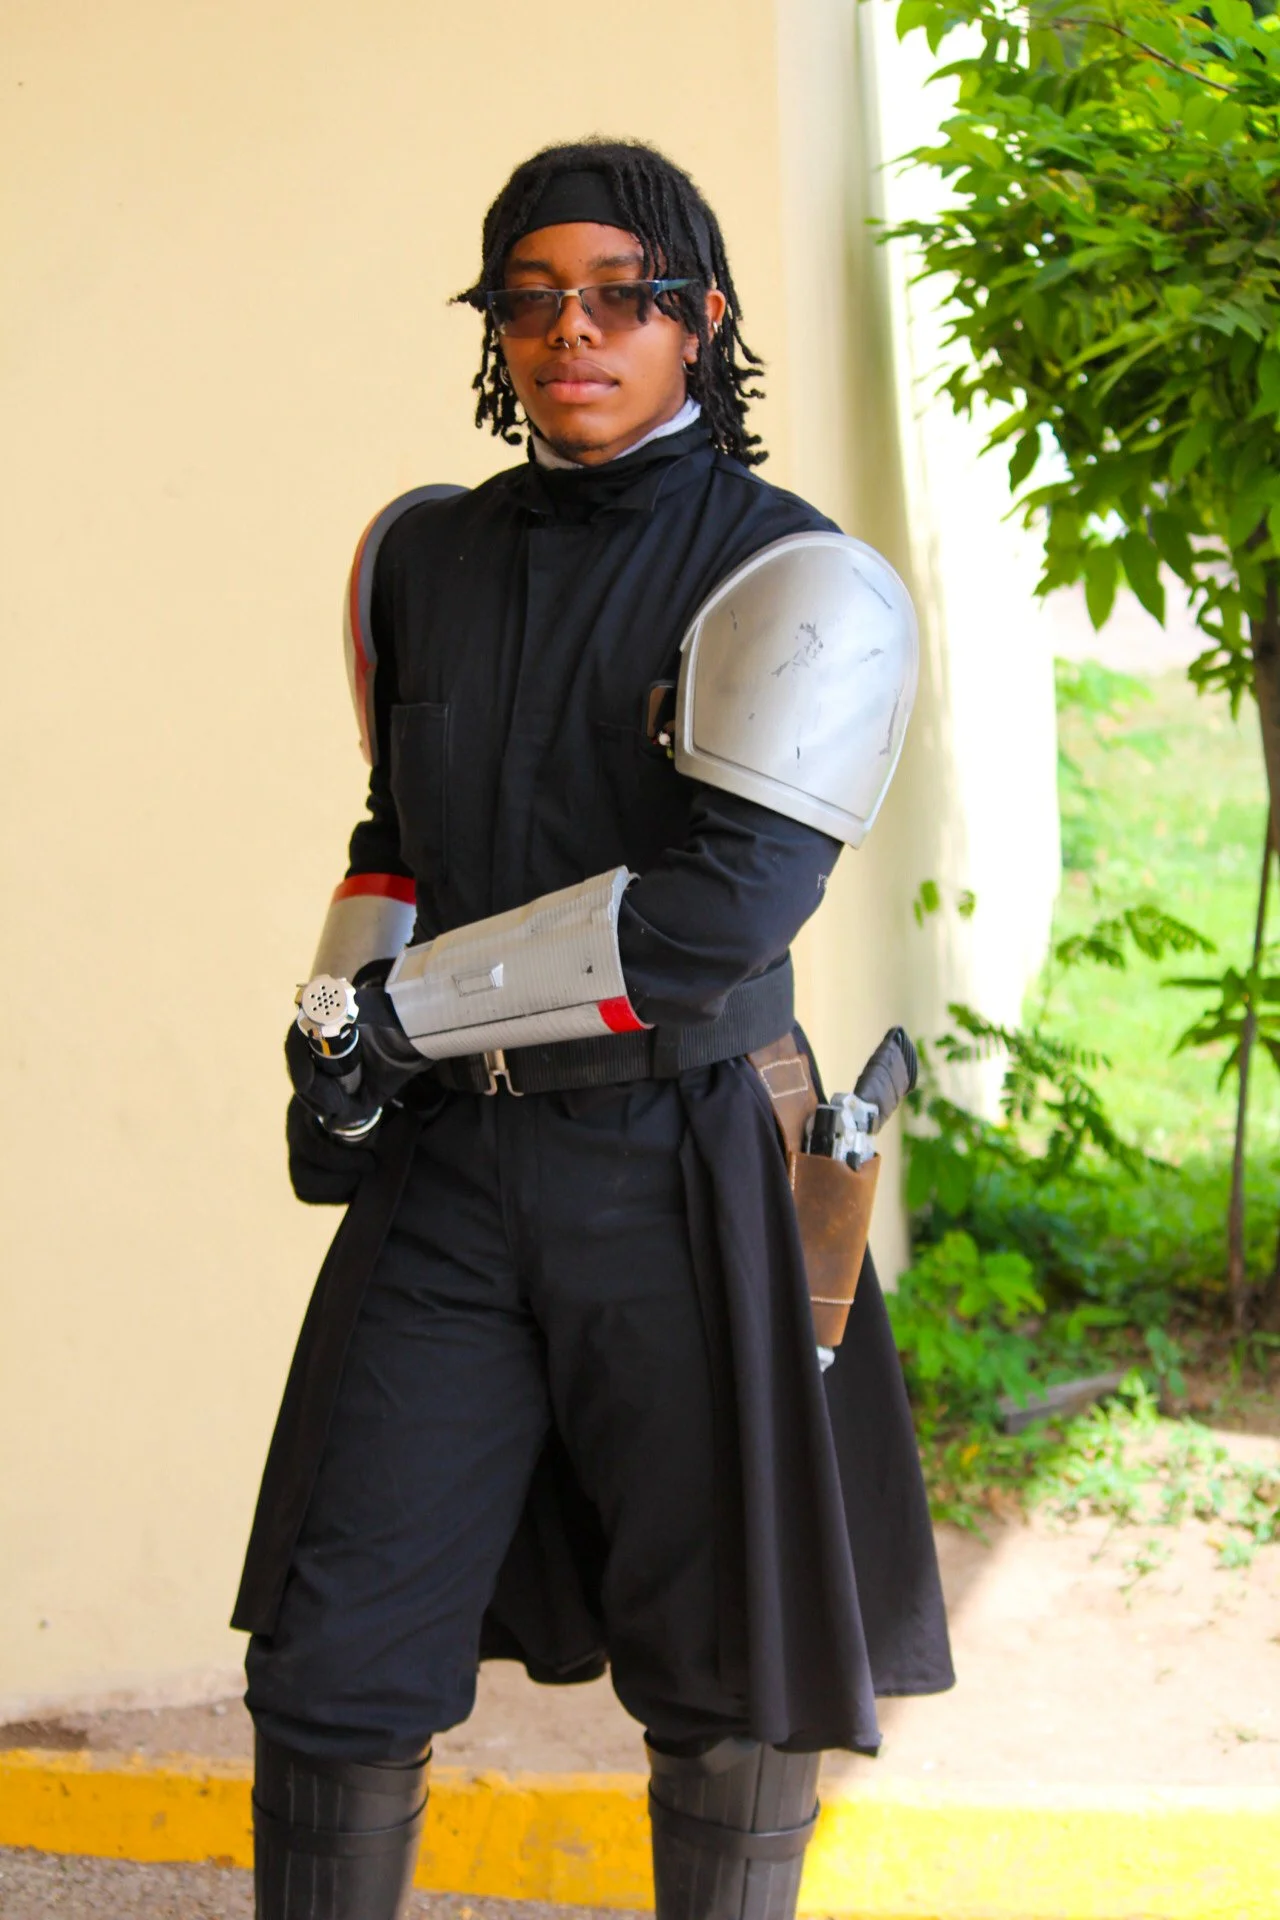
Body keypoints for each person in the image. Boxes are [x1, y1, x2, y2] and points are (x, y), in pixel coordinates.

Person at [233, 138, 953, 1920]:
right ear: (495, 331)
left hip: (685, 1149)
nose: (577, 331)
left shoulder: (798, 577)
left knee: (724, 1670)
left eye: (624, 295)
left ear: (702, 320)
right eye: (532, 297)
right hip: (457, 1169)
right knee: (335, 1651)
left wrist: (392, 1013)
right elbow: (396, 842)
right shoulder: (423, 554)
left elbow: (718, 918)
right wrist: (337, 1025)